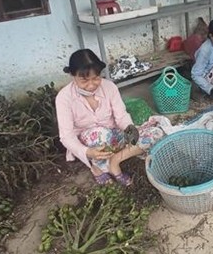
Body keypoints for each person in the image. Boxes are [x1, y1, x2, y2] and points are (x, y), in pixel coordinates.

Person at [55, 49, 165, 186]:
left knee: (157, 132)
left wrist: (131, 131)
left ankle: (115, 161)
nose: (91, 85)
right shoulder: (64, 98)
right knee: (98, 134)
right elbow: (66, 136)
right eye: (84, 80)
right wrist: (88, 151)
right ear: (72, 75)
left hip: (114, 135)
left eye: (96, 78)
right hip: (90, 143)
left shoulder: (109, 87)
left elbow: (121, 116)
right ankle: (96, 168)